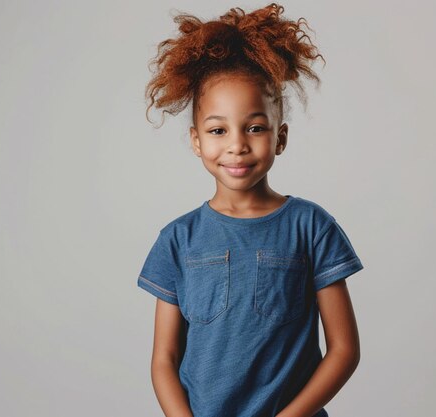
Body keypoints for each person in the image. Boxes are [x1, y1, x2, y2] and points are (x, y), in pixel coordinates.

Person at [136, 3, 364, 417]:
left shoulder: (311, 227)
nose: (237, 144)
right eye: (218, 130)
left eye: (255, 127)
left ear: (280, 137)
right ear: (196, 140)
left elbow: (345, 349)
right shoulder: (177, 239)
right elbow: (164, 360)